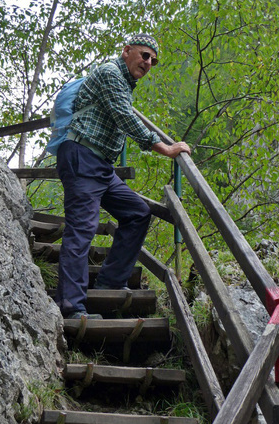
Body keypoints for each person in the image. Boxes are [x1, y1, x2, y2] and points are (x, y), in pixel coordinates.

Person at [54, 33, 191, 320]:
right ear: (127, 50)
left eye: (153, 60)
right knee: (83, 228)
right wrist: (164, 147)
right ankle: (71, 307)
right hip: (81, 154)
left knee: (138, 212)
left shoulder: (125, 85)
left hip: (100, 165)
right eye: (144, 55)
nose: (149, 63)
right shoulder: (109, 73)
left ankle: (108, 284)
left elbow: (121, 113)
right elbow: (124, 116)